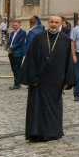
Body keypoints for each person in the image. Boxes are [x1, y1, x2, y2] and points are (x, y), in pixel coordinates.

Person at [20, 14, 74, 142]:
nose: (54, 24)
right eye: (51, 22)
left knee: (53, 107)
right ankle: (36, 133)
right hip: (39, 79)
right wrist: (32, 77)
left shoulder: (66, 40)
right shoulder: (39, 38)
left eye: (56, 22)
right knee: (37, 107)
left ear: (61, 24)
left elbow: (69, 61)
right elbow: (31, 58)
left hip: (56, 80)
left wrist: (68, 80)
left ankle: (52, 132)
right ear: (48, 23)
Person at [6, 19, 28, 90]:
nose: (14, 26)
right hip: (11, 53)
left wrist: (11, 49)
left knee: (17, 68)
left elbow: (20, 42)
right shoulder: (12, 33)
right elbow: (9, 41)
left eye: (16, 25)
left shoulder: (22, 32)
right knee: (13, 68)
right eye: (13, 25)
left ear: (20, 25)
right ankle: (17, 82)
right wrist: (8, 48)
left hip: (17, 53)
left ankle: (17, 83)